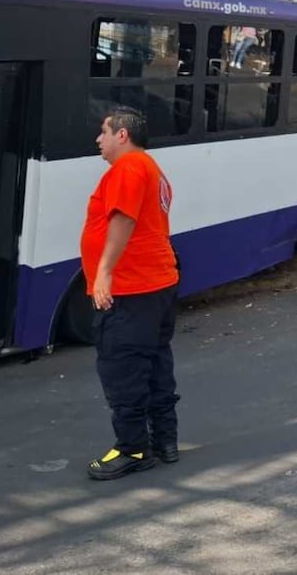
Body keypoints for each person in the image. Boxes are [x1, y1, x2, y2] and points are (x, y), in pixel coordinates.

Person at [81, 106, 181, 480]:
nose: (98, 140)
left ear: (122, 135)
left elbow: (123, 218)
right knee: (155, 363)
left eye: (104, 132)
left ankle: (133, 448)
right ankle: (164, 440)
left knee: (122, 368)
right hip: (156, 284)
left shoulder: (128, 168)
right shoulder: (151, 169)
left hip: (131, 288)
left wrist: (104, 273)